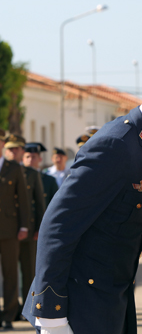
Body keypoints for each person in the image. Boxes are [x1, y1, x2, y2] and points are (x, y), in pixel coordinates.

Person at [23, 54, 142, 334]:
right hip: (78, 306)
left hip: (111, 300)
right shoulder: (116, 145)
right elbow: (58, 225)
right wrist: (52, 315)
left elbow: (134, 218)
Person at [5, 135, 46, 320]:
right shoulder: (5, 169)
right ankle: (13, 310)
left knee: (29, 271)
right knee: (10, 272)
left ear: (22, 151)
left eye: (16, 149)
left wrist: (38, 228)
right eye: (10, 149)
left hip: (28, 231)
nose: (13, 152)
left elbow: (38, 203)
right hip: (7, 229)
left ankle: (29, 309)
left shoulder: (31, 173)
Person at [0, 131, 30, 330]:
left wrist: (24, 226)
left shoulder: (14, 168)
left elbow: (24, 200)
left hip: (9, 229)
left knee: (10, 273)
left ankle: (9, 314)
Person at [23, 143, 59, 208]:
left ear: (40, 159)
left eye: (33, 157)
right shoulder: (19, 179)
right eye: (27, 157)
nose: (30, 160)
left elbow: (55, 205)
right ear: (23, 159)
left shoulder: (49, 181)